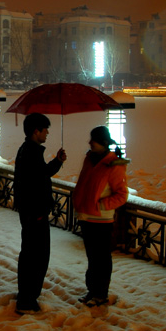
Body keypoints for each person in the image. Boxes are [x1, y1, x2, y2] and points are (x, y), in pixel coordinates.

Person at [13, 113, 67, 314]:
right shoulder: (31, 152)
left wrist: (56, 161)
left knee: (30, 254)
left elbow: (40, 174)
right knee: (37, 256)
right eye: (45, 129)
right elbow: (35, 182)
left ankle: (25, 294)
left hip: (30, 211)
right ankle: (27, 299)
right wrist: (37, 212)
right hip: (35, 212)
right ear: (36, 131)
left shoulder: (28, 150)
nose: (48, 133)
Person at [73, 125, 129, 307]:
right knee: (92, 257)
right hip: (86, 217)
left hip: (102, 219)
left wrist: (103, 205)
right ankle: (92, 290)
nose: (90, 143)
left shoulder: (113, 166)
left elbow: (122, 194)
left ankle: (101, 294)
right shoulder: (89, 160)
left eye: (94, 140)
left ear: (104, 142)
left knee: (102, 258)